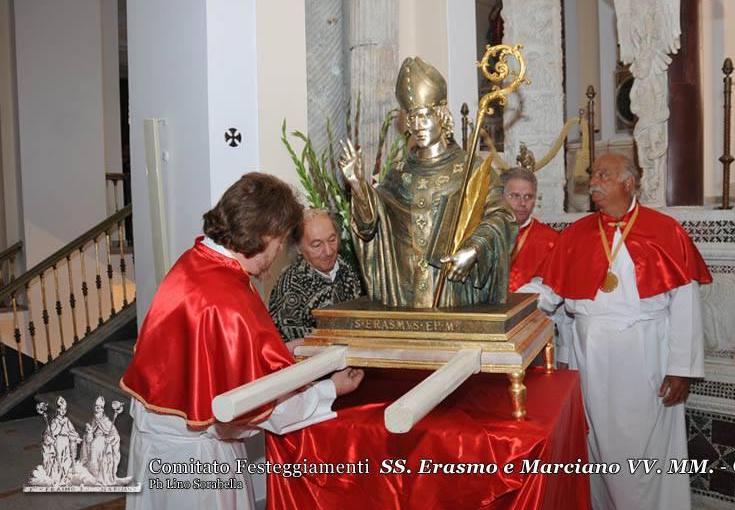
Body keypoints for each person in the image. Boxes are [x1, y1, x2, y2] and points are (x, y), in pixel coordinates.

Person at [121, 173, 365, 510]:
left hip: (153, 449)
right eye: (281, 242)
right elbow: (269, 407)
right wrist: (332, 389)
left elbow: (214, 355)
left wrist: (289, 350)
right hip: (198, 469)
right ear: (266, 236)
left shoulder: (195, 262)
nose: (279, 251)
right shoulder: (231, 299)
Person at [535, 153, 711, 510]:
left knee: (643, 449)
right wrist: (503, 307)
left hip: (645, 355)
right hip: (590, 358)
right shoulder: (575, 234)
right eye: (592, 174)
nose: (593, 181)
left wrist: (682, 369)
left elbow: (686, 303)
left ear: (629, 182)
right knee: (595, 447)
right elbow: (546, 291)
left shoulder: (665, 230)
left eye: (604, 174)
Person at [338, 56, 516, 308]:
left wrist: (474, 250)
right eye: (412, 118)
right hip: (406, 295)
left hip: (454, 292)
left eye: (424, 117)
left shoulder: (472, 169)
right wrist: (357, 185)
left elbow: (502, 218)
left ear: (441, 117)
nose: (417, 126)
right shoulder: (398, 173)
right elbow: (371, 228)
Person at [269, 209, 362, 344]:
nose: (328, 251)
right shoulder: (290, 288)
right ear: (299, 248)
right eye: (317, 245)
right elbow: (288, 349)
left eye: (332, 240)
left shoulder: (347, 267)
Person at [501, 164, 559, 293]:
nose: (522, 203)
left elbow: (550, 287)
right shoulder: (483, 233)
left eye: (528, 197)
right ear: (500, 197)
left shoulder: (550, 240)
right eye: (515, 196)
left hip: (528, 309)